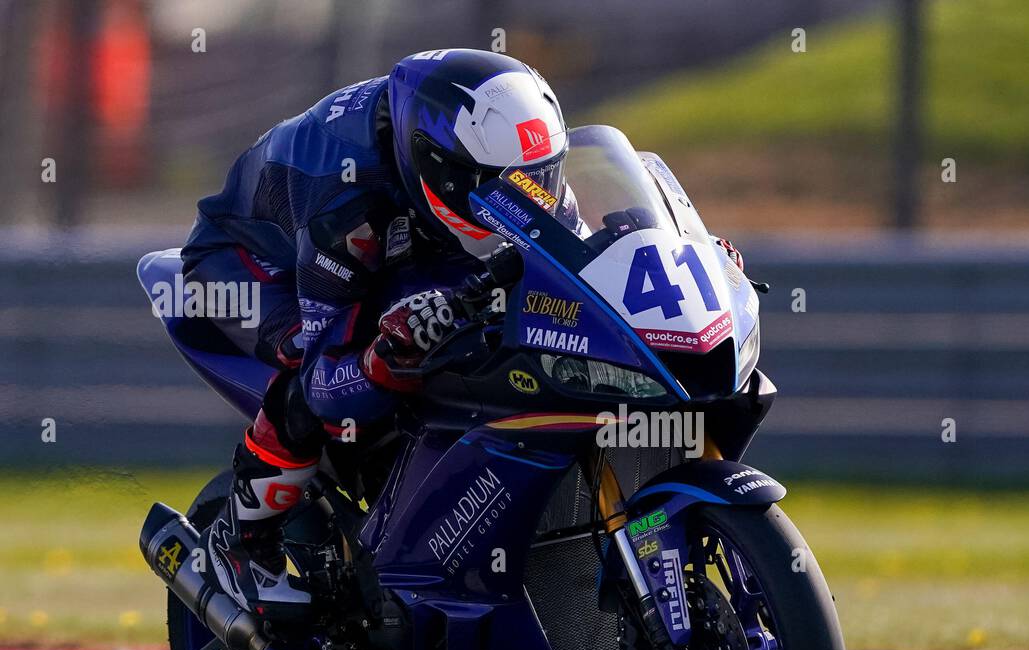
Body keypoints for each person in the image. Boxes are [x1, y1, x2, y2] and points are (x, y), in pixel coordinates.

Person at [180, 48, 743, 618]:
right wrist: (383, 356)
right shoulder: (345, 203)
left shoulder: (501, 160)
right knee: (311, 369)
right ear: (440, 168)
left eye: (540, 177)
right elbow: (331, 381)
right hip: (252, 263)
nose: (525, 196)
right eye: (503, 187)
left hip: (404, 237)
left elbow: (572, 251)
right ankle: (242, 543)